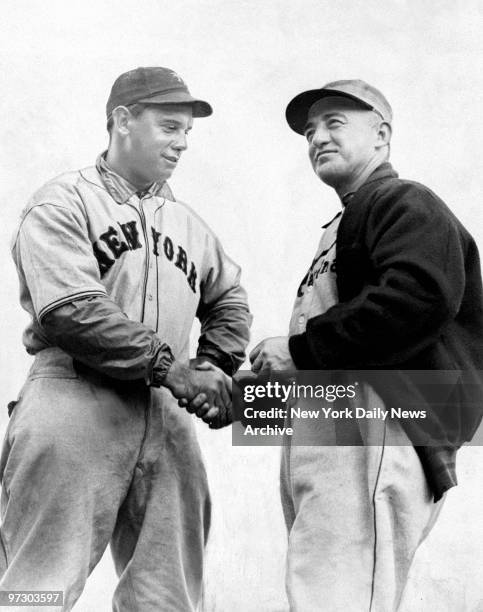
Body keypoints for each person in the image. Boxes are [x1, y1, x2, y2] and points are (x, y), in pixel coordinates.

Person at [0, 66, 250, 611]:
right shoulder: (62, 201)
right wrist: (175, 367)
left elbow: (228, 297)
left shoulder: (190, 224)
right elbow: (72, 311)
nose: (182, 142)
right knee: (34, 589)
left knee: (171, 597)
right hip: (75, 395)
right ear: (122, 121)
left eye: (187, 131)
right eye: (169, 127)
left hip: (167, 412)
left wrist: (212, 365)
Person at [249, 79, 483, 611]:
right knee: (325, 593)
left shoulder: (401, 199)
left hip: (372, 422)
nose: (316, 138)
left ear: (381, 136)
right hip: (330, 426)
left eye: (335, 123)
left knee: (337, 597)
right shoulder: (344, 220)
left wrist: (302, 351)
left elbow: (418, 298)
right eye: (310, 130)